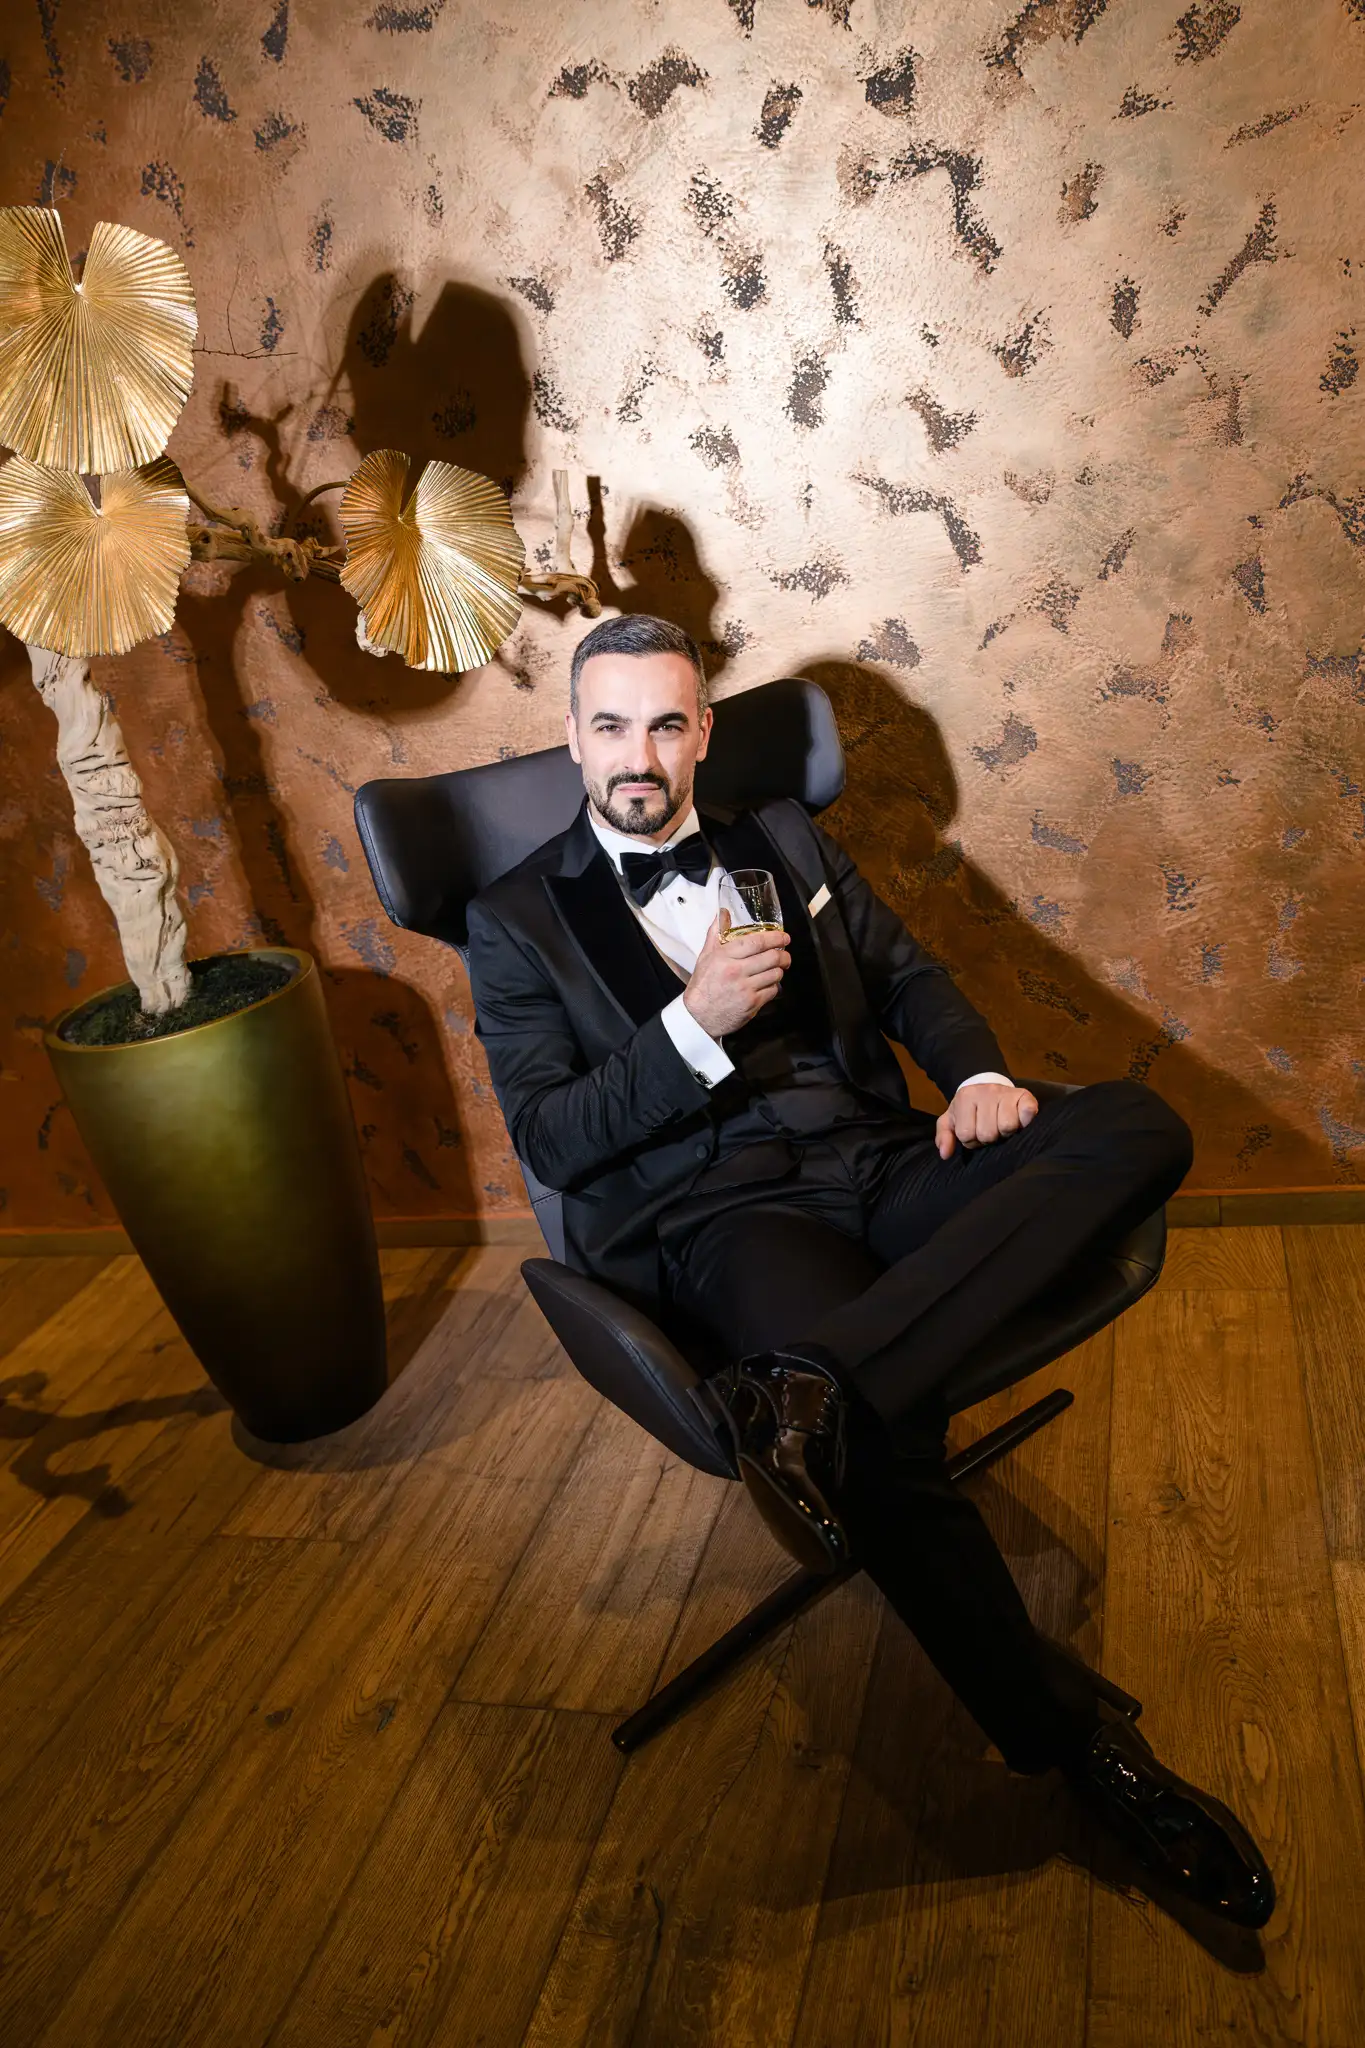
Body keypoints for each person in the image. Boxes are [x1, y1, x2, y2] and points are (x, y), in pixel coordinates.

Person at [466, 612, 1274, 1929]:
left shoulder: (781, 836)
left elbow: (907, 974)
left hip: (887, 1161)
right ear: (571, 736)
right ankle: (1083, 1749)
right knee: (884, 1452)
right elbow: (553, 1135)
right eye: (608, 725)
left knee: (1137, 1126)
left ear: (701, 733)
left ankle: (825, 1393)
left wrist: (978, 1076)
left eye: (665, 723)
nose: (637, 755)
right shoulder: (516, 922)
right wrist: (690, 1028)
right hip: (725, 1220)